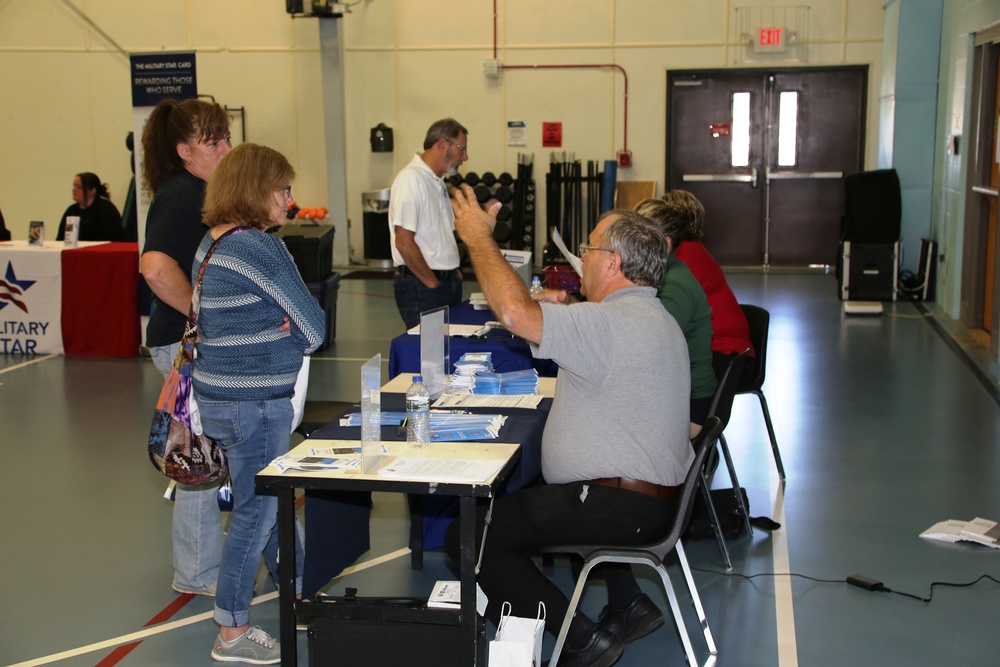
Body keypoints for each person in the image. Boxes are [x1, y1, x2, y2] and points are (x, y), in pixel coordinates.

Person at [444, 188, 692, 667]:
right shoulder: (653, 316)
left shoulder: (603, 325)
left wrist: (477, 238)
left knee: (469, 538)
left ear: (614, 262)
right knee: (538, 491)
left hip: (615, 504)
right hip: (653, 499)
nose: (581, 256)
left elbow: (514, 315)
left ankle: (579, 638)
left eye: (589, 247)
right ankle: (628, 604)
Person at [192, 143, 324, 664]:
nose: (291, 201)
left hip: (217, 400)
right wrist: (285, 332)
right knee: (258, 511)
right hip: (256, 405)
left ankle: (300, 591)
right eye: (284, 190)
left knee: (266, 503)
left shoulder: (211, 242)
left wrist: (277, 327)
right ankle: (231, 632)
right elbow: (313, 329)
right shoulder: (262, 250)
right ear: (257, 191)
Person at [140, 98, 232, 597]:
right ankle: (197, 572)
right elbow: (155, 267)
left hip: (186, 342)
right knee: (197, 458)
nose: (226, 148)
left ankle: (202, 564)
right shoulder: (182, 195)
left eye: (226, 138)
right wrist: (203, 320)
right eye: (213, 141)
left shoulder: (203, 192)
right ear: (185, 152)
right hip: (182, 345)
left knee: (204, 454)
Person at [634, 197, 717, 437]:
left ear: (665, 244)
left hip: (690, 406)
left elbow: (648, 346)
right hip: (677, 392)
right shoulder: (666, 275)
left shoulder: (674, 285)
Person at [661, 189, 753, 378]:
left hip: (728, 356)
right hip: (727, 350)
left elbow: (665, 315)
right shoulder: (693, 250)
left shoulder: (683, 256)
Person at [388, 118, 469, 329]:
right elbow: (404, 241)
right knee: (427, 356)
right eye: (462, 149)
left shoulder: (437, 182)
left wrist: (453, 273)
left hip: (445, 283)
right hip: (424, 286)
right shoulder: (411, 180)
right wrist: (433, 283)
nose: (465, 157)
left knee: (446, 353)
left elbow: (442, 234)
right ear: (442, 144)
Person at [55, 172, 123, 242]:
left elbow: (113, 238)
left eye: (79, 187)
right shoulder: (71, 211)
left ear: (92, 190)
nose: (74, 190)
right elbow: (60, 239)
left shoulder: (106, 210)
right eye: (74, 186)